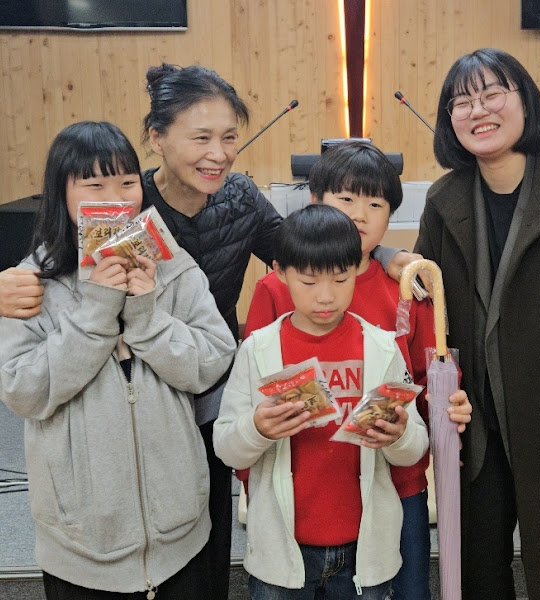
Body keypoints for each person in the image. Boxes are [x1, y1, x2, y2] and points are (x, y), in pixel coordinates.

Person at [0, 64, 422, 599]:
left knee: (205, 547)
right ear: (157, 138)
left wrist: (382, 253)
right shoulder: (126, 210)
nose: (217, 154)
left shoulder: (238, 197)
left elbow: (307, 251)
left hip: (209, 388)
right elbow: (50, 269)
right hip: (114, 415)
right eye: (201, 138)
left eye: (228, 138)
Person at [0, 121, 237, 599]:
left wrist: (147, 319)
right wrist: (95, 312)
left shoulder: (170, 264)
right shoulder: (30, 284)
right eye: (94, 186)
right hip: (82, 544)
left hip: (179, 530)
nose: (116, 199)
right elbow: (25, 391)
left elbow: (214, 359)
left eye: (127, 182)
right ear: (61, 194)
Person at [241, 140, 472, 600]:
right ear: (315, 201)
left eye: (376, 204)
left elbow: (427, 377)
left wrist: (450, 406)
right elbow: (252, 393)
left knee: (403, 587)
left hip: (396, 483)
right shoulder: (277, 288)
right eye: (345, 199)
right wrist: (256, 488)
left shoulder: (408, 287)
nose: (359, 215)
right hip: (300, 489)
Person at [414, 47, 540, 600]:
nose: (478, 110)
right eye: (461, 102)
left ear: (526, 101)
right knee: (478, 575)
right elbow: (426, 310)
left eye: (492, 93)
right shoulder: (444, 199)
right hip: (473, 430)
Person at [214, 203, 430, 599]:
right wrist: (257, 429)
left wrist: (399, 436)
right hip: (281, 552)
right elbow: (227, 446)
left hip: (365, 550)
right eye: (309, 282)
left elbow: (414, 447)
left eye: (341, 279)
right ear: (279, 272)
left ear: (357, 271)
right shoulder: (259, 350)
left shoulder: (381, 348)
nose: (326, 297)